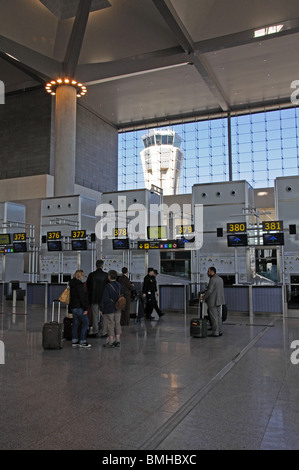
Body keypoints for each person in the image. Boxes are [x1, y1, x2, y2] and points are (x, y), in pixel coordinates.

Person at [100, 269, 123, 348]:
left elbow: (105, 299)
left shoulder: (107, 286)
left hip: (109, 308)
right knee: (117, 323)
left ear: (109, 277)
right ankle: (118, 340)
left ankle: (111, 341)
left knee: (110, 324)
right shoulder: (120, 285)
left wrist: (101, 309)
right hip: (118, 307)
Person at [69, 269, 91, 348]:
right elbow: (82, 298)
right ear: (80, 276)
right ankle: (82, 341)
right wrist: (85, 308)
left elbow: (71, 297)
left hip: (73, 307)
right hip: (79, 307)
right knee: (85, 323)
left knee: (75, 324)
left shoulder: (72, 284)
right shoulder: (79, 285)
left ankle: (74, 340)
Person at [200, 266, 225, 337]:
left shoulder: (212, 280)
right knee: (218, 316)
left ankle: (215, 332)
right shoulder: (220, 279)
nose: (207, 273)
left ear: (212, 271)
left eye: (208, 271)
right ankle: (219, 331)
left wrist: (203, 297)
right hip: (219, 300)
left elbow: (210, 291)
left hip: (213, 301)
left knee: (214, 317)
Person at [86, 259, 108, 337]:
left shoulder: (91, 275)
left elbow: (88, 286)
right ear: (102, 266)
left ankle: (95, 331)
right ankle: (104, 332)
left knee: (95, 315)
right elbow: (107, 287)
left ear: (96, 266)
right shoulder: (105, 275)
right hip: (103, 299)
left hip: (94, 298)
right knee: (104, 315)